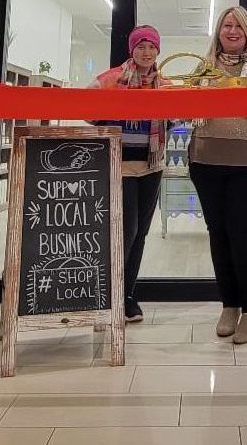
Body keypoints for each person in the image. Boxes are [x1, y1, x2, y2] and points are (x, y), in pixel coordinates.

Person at [188, 6, 247, 345]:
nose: (232, 31)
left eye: (239, 26)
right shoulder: (204, 65)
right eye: (226, 25)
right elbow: (186, 104)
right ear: (218, 30)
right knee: (219, 234)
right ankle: (229, 304)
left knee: (245, 235)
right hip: (206, 160)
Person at [90, 24, 165, 323]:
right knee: (125, 232)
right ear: (132, 49)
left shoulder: (164, 84)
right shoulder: (110, 79)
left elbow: (175, 118)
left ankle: (127, 295)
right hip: (119, 165)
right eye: (141, 46)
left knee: (141, 233)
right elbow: (85, 109)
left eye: (152, 47)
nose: (147, 52)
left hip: (151, 166)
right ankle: (112, 294)